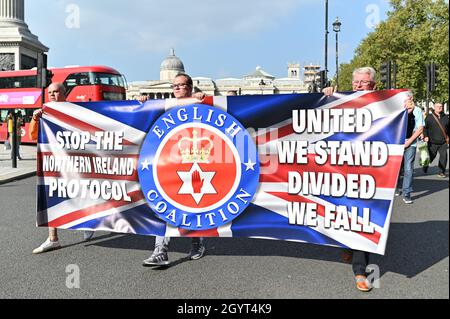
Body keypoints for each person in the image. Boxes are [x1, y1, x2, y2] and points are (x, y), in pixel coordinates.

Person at [142, 73, 207, 267]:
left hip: (196, 162)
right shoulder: (163, 105)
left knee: (194, 205)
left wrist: (204, 97)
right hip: (169, 164)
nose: (177, 89)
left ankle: (197, 241)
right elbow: (143, 118)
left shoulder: (199, 103)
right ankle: (160, 250)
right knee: (163, 204)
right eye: (174, 86)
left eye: (181, 85)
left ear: (190, 87)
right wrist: (143, 102)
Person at [323, 67, 378, 292]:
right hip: (342, 171)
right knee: (344, 214)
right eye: (355, 82)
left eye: (363, 82)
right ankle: (345, 243)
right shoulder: (339, 100)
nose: (357, 86)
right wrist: (324, 96)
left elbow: (408, 130)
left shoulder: (385, 103)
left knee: (362, 219)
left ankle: (360, 270)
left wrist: (409, 111)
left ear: (372, 85)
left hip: (370, 174)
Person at [31, 83, 95, 254]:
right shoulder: (44, 113)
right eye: (50, 92)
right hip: (54, 163)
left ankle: (87, 223)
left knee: (81, 193)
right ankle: (53, 239)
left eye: (56, 91)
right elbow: (33, 135)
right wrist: (35, 119)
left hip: (76, 162)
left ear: (65, 94)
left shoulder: (75, 110)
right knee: (52, 195)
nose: (52, 94)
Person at [396, 94, 424, 204]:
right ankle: (396, 187)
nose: (405, 102)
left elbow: (420, 128)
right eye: (404, 100)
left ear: (411, 99)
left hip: (410, 144)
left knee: (408, 169)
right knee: (396, 168)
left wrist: (409, 141)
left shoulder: (417, 111)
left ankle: (406, 193)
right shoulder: (398, 110)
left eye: (407, 99)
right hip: (397, 143)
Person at [422, 102, 449, 177]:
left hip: (443, 142)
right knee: (431, 156)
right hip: (432, 142)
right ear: (434, 107)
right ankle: (425, 166)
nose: (440, 107)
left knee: (444, 157)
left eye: (441, 106)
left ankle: (441, 172)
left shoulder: (445, 117)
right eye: (438, 106)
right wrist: (425, 136)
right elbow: (425, 128)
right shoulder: (429, 117)